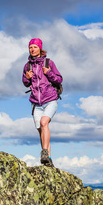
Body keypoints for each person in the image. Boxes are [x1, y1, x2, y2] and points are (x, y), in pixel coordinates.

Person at [22, 38, 62, 167]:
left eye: (34, 47)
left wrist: (49, 73)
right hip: (36, 103)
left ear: (40, 48)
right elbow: (25, 83)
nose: (32, 49)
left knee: (44, 122)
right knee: (42, 130)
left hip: (50, 99)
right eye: (30, 47)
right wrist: (27, 78)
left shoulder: (48, 63)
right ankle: (48, 159)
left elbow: (59, 79)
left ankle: (44, 153)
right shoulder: (27, 66)